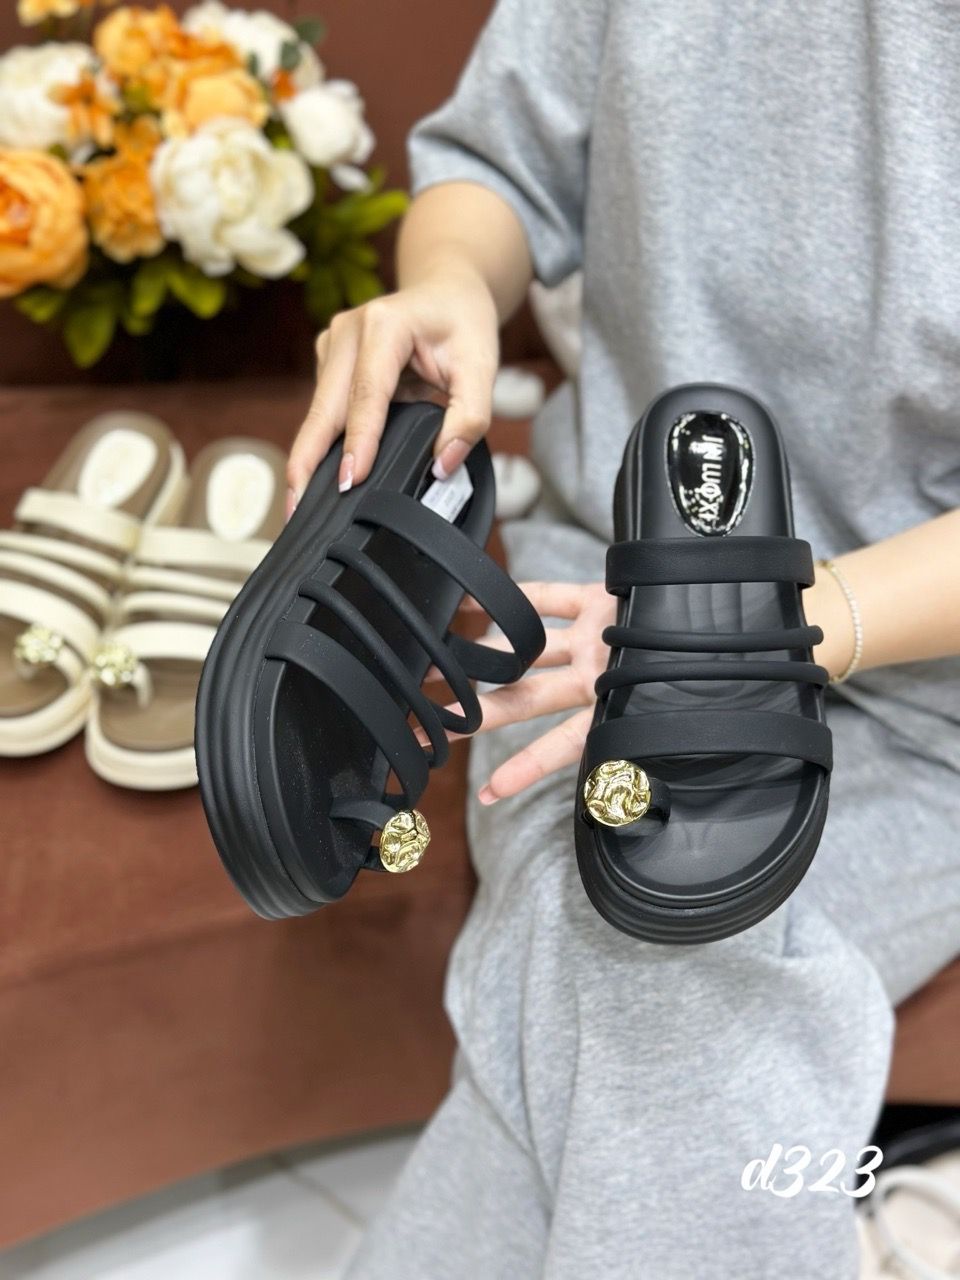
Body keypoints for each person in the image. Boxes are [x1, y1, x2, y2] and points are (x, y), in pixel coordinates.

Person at [287, 2, 960, 1275]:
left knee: (630, 975)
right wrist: (448, 286)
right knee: (629, 944)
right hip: (605, 603)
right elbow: (494, 167)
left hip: (932, 692)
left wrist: (763, 634)